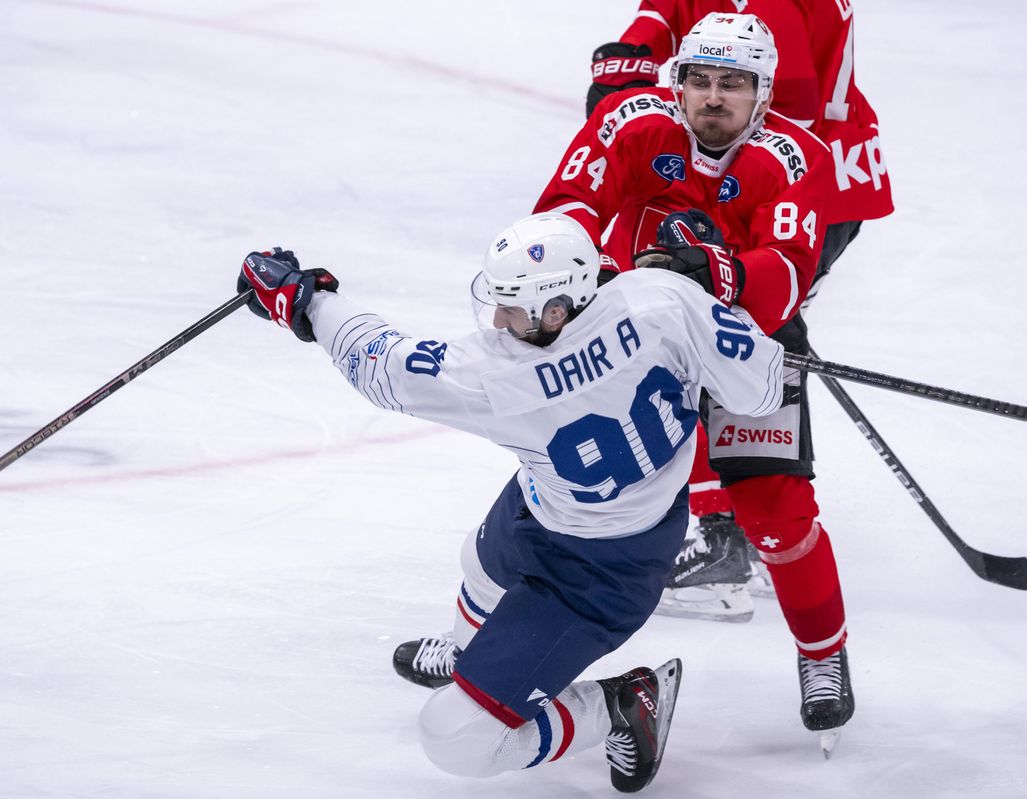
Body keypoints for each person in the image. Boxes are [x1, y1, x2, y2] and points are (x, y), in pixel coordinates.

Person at [394, 13, 858, 745]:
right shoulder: (634, 120)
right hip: (633, 333)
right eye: (698, 80)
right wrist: (586, 270)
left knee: (778, 510)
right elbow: (565, 211)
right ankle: (475, 642)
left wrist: (722, 269)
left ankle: (822, 654)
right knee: (556, 487)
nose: (711, 97)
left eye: (731, 85)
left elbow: (789, 275)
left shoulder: (795, 154)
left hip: (745, 336)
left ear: (763, 95)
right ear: (678, 81)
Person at [236, 212, 787, 791]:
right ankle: (472, 654)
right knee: (480, 568)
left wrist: (307, 302)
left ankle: (625, 703)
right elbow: (760, 392)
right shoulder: (663, 297)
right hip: (563, 508)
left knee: (456, 739)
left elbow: (384, 364)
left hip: (600, 575)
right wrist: (714, 301)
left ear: (558, 310)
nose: (497, 320)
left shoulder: (496, 374)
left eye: (513, 307)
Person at [587, 0, 893, 618]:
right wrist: (628, 63)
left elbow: (776, 124)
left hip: (808, 189)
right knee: (677, 329)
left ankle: (724, 534)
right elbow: (656, 22)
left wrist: (725, 266)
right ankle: (723, 522)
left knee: (722, 341)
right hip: (731, 188)